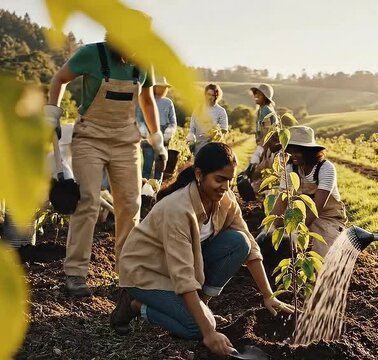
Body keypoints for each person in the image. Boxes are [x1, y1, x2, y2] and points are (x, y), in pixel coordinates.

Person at [110, 143, 293, 356]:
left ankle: (200, 308)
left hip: (176, 267)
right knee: (195, 327)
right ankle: (134, 305)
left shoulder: (225, 199)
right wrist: (208, 332)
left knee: (238, 242)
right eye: (219, 179)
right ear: (199, 174)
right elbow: (183, 275)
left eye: (230, 180)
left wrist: (268, 295)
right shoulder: (177, 210)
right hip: (146, 272)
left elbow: (250, 245)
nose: (225, 187)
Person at [44, 29, 167, 297]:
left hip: (126, 141)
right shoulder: (91, 53)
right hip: (90, 138)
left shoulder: (144, 62)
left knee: (130, 205)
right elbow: (60, 78)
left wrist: (157, 138)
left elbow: (146, 100)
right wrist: (52, 113)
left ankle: (127, 274)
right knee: (87, 201)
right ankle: (75, 274)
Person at [258, 126, 347, 257]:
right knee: (276, 245)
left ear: (309, 151)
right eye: (290, 151)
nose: (292, 156)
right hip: (300, 215)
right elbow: (282, 200)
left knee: (323, 254)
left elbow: (317, 207)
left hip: (327, 216)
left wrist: (297, 232)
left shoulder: (325, 168)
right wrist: (270, 227)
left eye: (298, 152)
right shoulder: (290, 168)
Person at [136, 76, 177, 181]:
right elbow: (139, 119)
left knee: (160, 166)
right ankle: (145, 191)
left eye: (163, 87)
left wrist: (169, 132)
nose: (161, 89)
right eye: (159, 86)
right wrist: (144, 131)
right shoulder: (144, 100)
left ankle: (156, 190)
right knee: (147, 165)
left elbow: (173, 122)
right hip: (149, 135)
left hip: (164, 137)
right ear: (153, 87)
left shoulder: (168, 103)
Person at [241, 84, 279, 181]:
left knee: (262, 173)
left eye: (259, 94)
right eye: (255, 94)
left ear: (266, 97)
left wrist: (260, 149)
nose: (256, 96)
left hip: (271, 147)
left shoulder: (266, 110)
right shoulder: (261, 110)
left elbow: (267, 133)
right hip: (267, 146)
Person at [187, 83, 228, 156]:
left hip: (213, 148)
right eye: (208, 94)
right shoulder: (198, 109)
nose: (210, 97)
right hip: (198, 148)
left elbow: (224, 130)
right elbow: (192, 127)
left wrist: (215, 135)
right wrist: (191, 141)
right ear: (205, 95)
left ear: (217, 96)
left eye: (213, 95)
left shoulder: (221, 111)